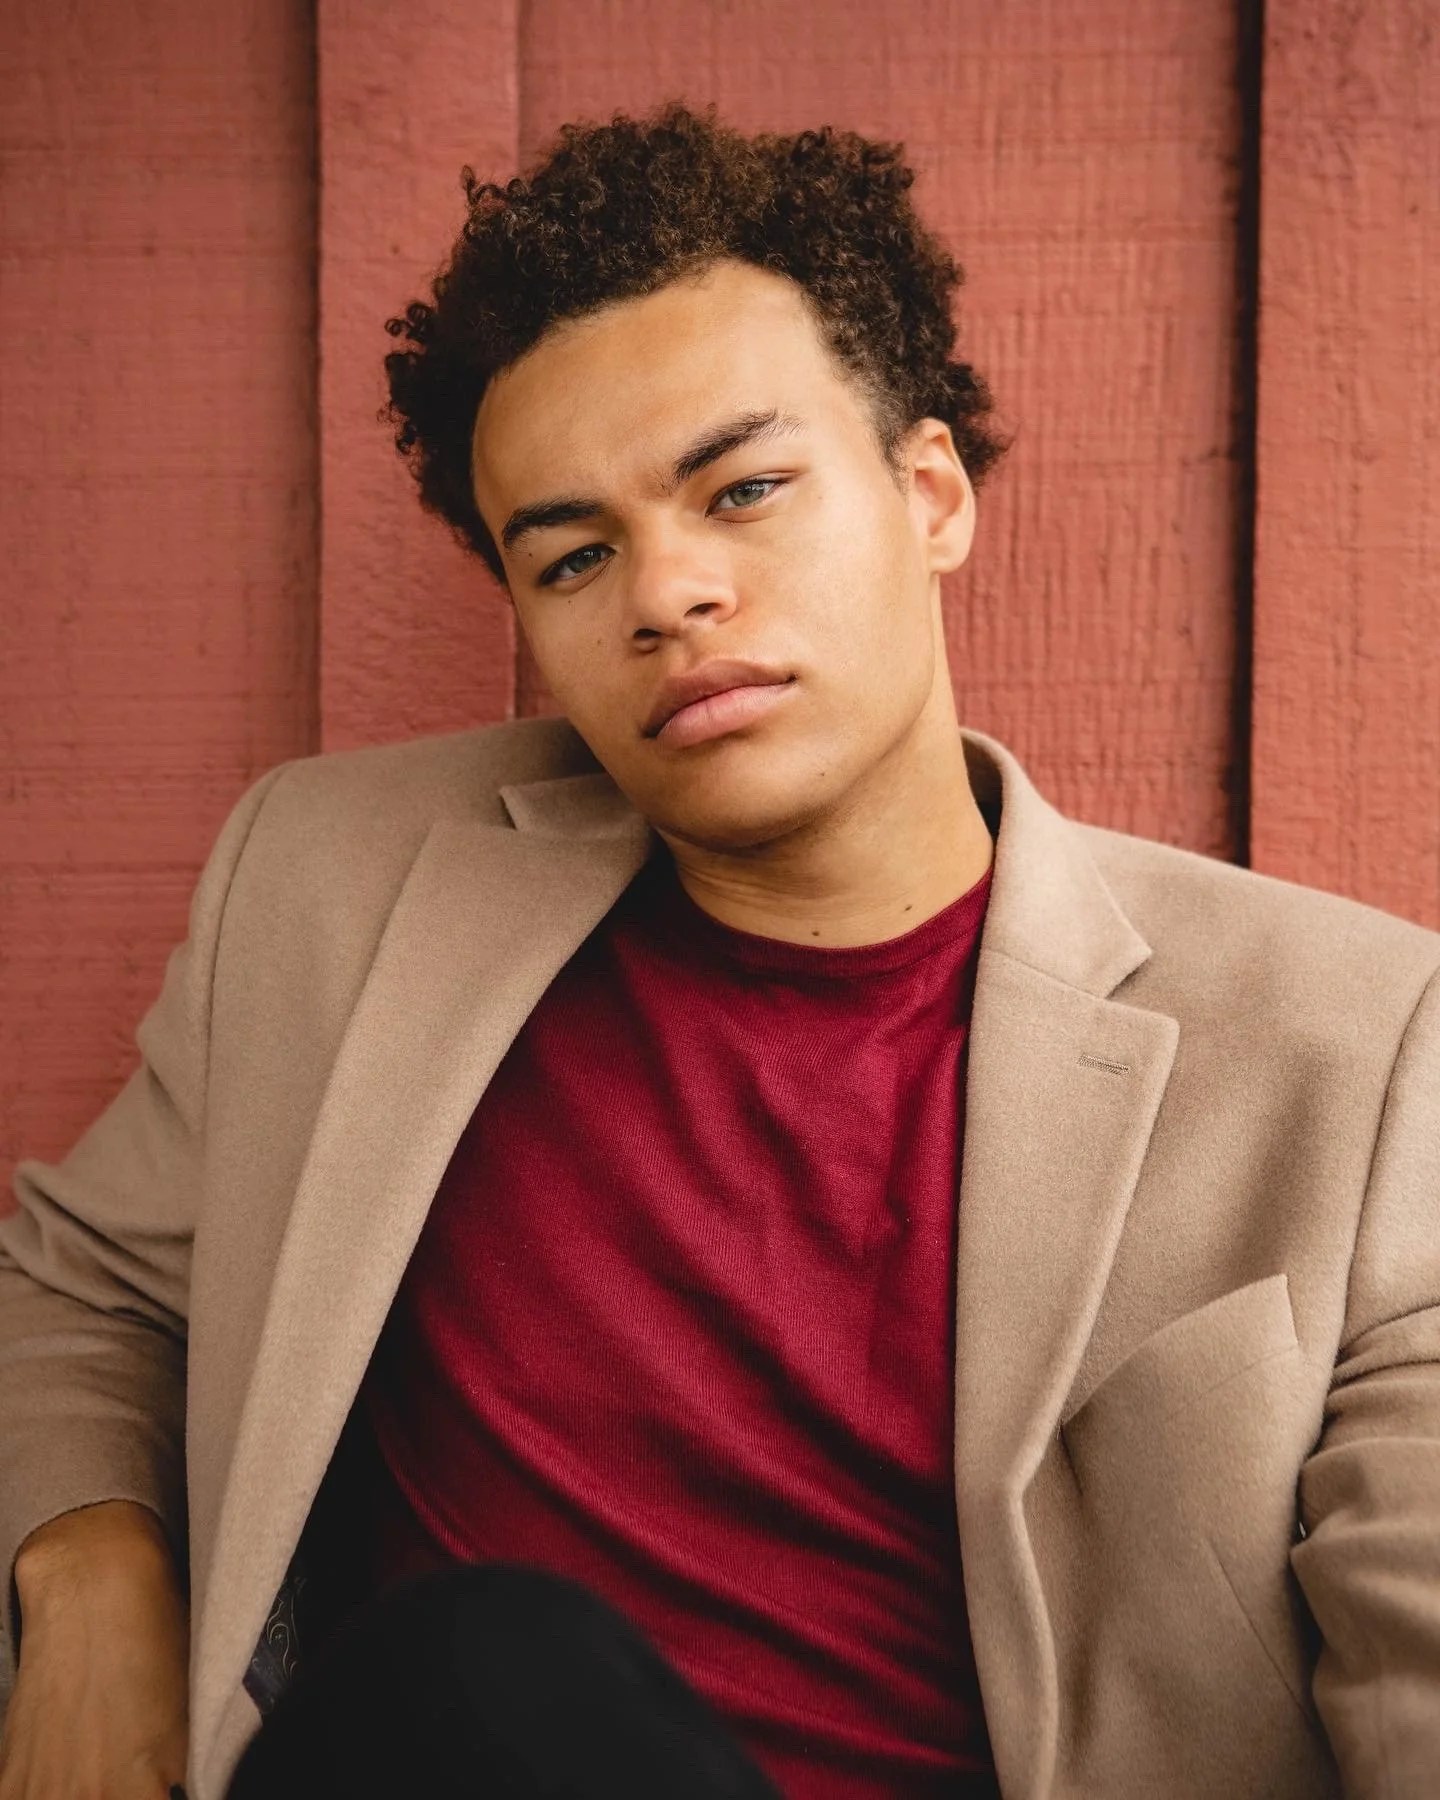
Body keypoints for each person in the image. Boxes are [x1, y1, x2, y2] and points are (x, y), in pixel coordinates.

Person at [0, 101, 1437, 1800]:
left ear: (931, 495)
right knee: (487, 1672)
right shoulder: (335, 885)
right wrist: (91, 1572)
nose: (666, 593)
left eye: (743, 491)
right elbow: (86, 1291)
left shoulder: (1354, 1043)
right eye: (576, 553)